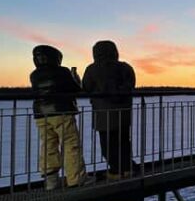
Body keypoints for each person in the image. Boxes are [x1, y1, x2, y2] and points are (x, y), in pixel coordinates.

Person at [30, 45, 87, 190]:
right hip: (61, 112)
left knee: (48, 144)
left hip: (41, 114)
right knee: (70, 143)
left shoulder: (34, 75)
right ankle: (76, 179)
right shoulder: (62, 71)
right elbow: (75, 89)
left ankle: (51, 181)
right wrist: (76, 79)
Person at [82, 40, 137, 180]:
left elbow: (86, 87)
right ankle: (127, 168)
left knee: (108, 145)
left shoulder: (92, 69)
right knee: (124, 142)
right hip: (123, 113)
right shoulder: (125, 68)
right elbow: (131, 85)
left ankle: (116, 171)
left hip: (103, 114)